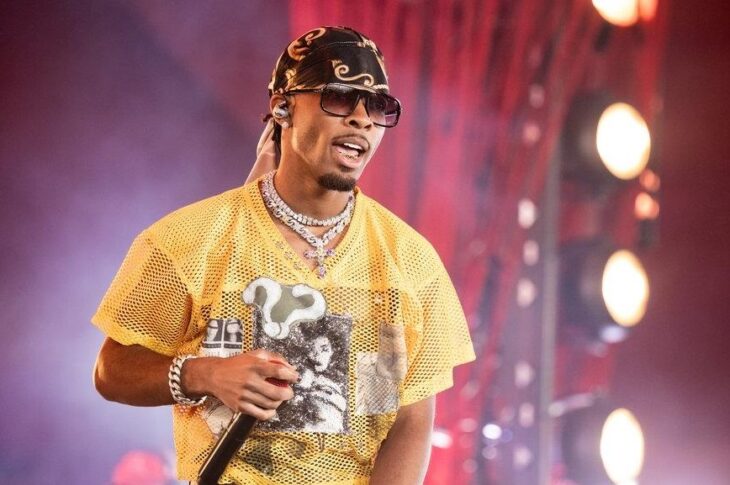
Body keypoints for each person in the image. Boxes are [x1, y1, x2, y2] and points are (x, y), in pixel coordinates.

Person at [92, 26, 475, 485]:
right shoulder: (190, 240)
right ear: (283, 107)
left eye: (377, 106)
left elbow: (408, 418)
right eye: (339, 97)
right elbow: (111, 371)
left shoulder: (410, 263)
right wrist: (205, 374)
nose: (361, 119)